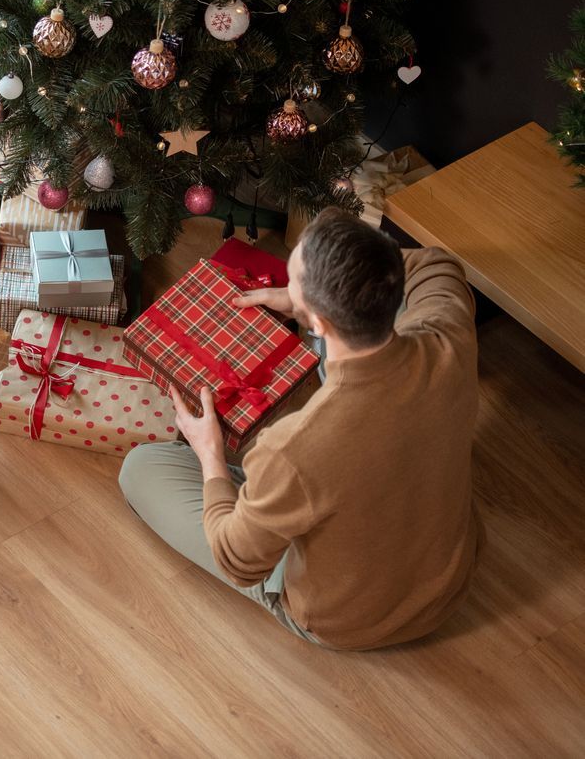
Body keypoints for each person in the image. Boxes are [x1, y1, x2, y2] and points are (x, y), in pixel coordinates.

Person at [118, 209, 486, 650]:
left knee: (141, 468)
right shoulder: (447, 333)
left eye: (292, 281)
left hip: (346, 620)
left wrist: (210, 455)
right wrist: (306, 301)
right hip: (448, 580)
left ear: (320, 321)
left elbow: (237, 561)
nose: (286, 289)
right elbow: (437, 263)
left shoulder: (291, 448)